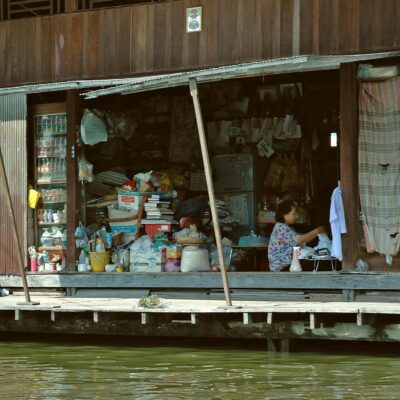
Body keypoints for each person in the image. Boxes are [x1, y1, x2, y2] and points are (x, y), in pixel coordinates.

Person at [268, 201, 325, 272]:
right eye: (294, 214)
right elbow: (299, 240)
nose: (297, 216)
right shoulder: (281, 228)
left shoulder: (286, 227)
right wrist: (317, 231)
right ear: (284, 215)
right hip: (282, 268)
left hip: (286, 265)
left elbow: (302, 240)